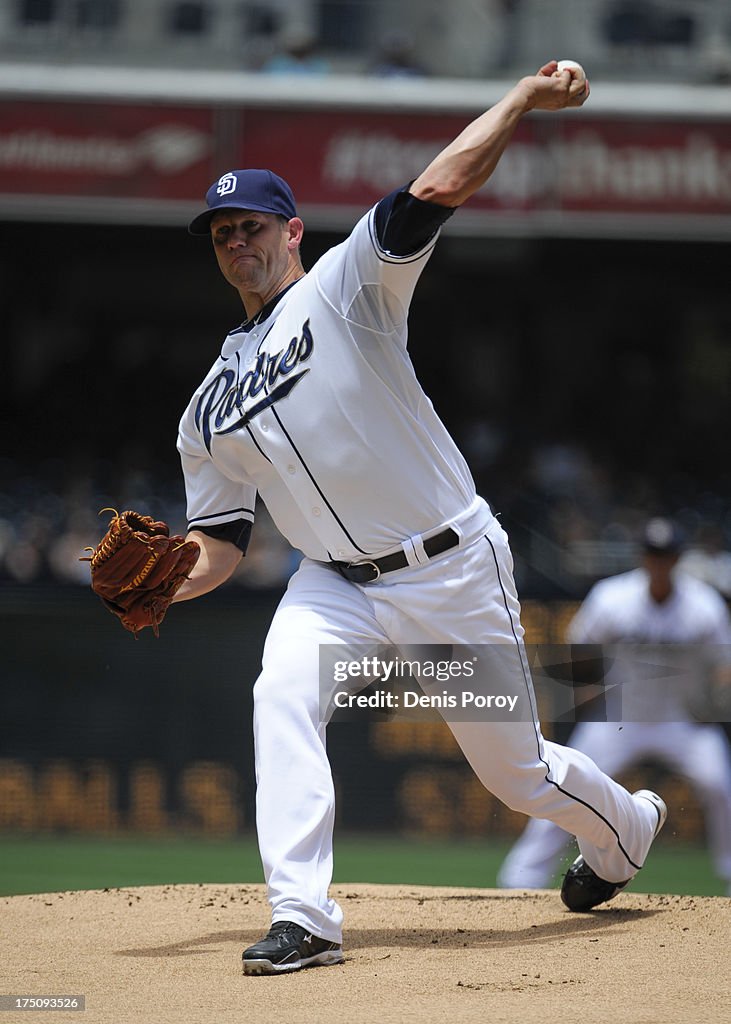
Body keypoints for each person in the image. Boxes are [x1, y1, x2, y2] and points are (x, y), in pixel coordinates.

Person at [172, 61, 666, 976]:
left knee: (512, 773)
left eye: (249, 225)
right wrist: (173, 581)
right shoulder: (206, 405)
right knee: (280, 696)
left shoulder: (347, 289)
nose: (235, 240)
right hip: (331, 587)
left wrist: (518, 100)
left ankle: (625, 830)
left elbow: (438, 185)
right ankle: (303, 916)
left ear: (291, 230)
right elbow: (222, 539)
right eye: (220, 232)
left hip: (446, 569)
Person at [498, 517, 731, 894]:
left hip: (682, 719)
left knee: (720, 785)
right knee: (564, 782)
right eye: (654, 554)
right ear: (643, 557)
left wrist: (717, 697)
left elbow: (723, 665)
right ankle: (521, 877)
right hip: (620, 717)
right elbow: (580, 646)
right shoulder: (612, 597)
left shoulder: (703, 606)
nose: (659, 562)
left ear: (677, 559)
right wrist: (588, 686)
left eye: (667, 555)